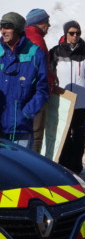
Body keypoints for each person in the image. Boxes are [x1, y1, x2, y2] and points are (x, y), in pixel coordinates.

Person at [49, 21, 85, 174]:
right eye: (72, 33)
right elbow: (50, 75)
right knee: (63, 133)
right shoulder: (56, 52)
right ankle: (65, 164)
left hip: (82, 102)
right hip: (63, 101)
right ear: (66, 34)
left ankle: (76, 165)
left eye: (78, 33)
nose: (75, 36)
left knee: (79, 134)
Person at [0, 12, 50, 149]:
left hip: (21, 129)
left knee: (18, 168)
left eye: (7, 27)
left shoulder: (35, 54)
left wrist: (26, 113)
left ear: (18, 29)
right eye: (1, 27)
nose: (3, 31)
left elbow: (43, 90)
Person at [25, 8, 56, 152]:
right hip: (36, 91)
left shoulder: (22, 36)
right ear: (38, 23)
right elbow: (42, 68)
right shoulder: (37, 39)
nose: (48, 26)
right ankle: (33, 167)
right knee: (36, 133)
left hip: (23, 90)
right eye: (46, 22)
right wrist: (51, 82)